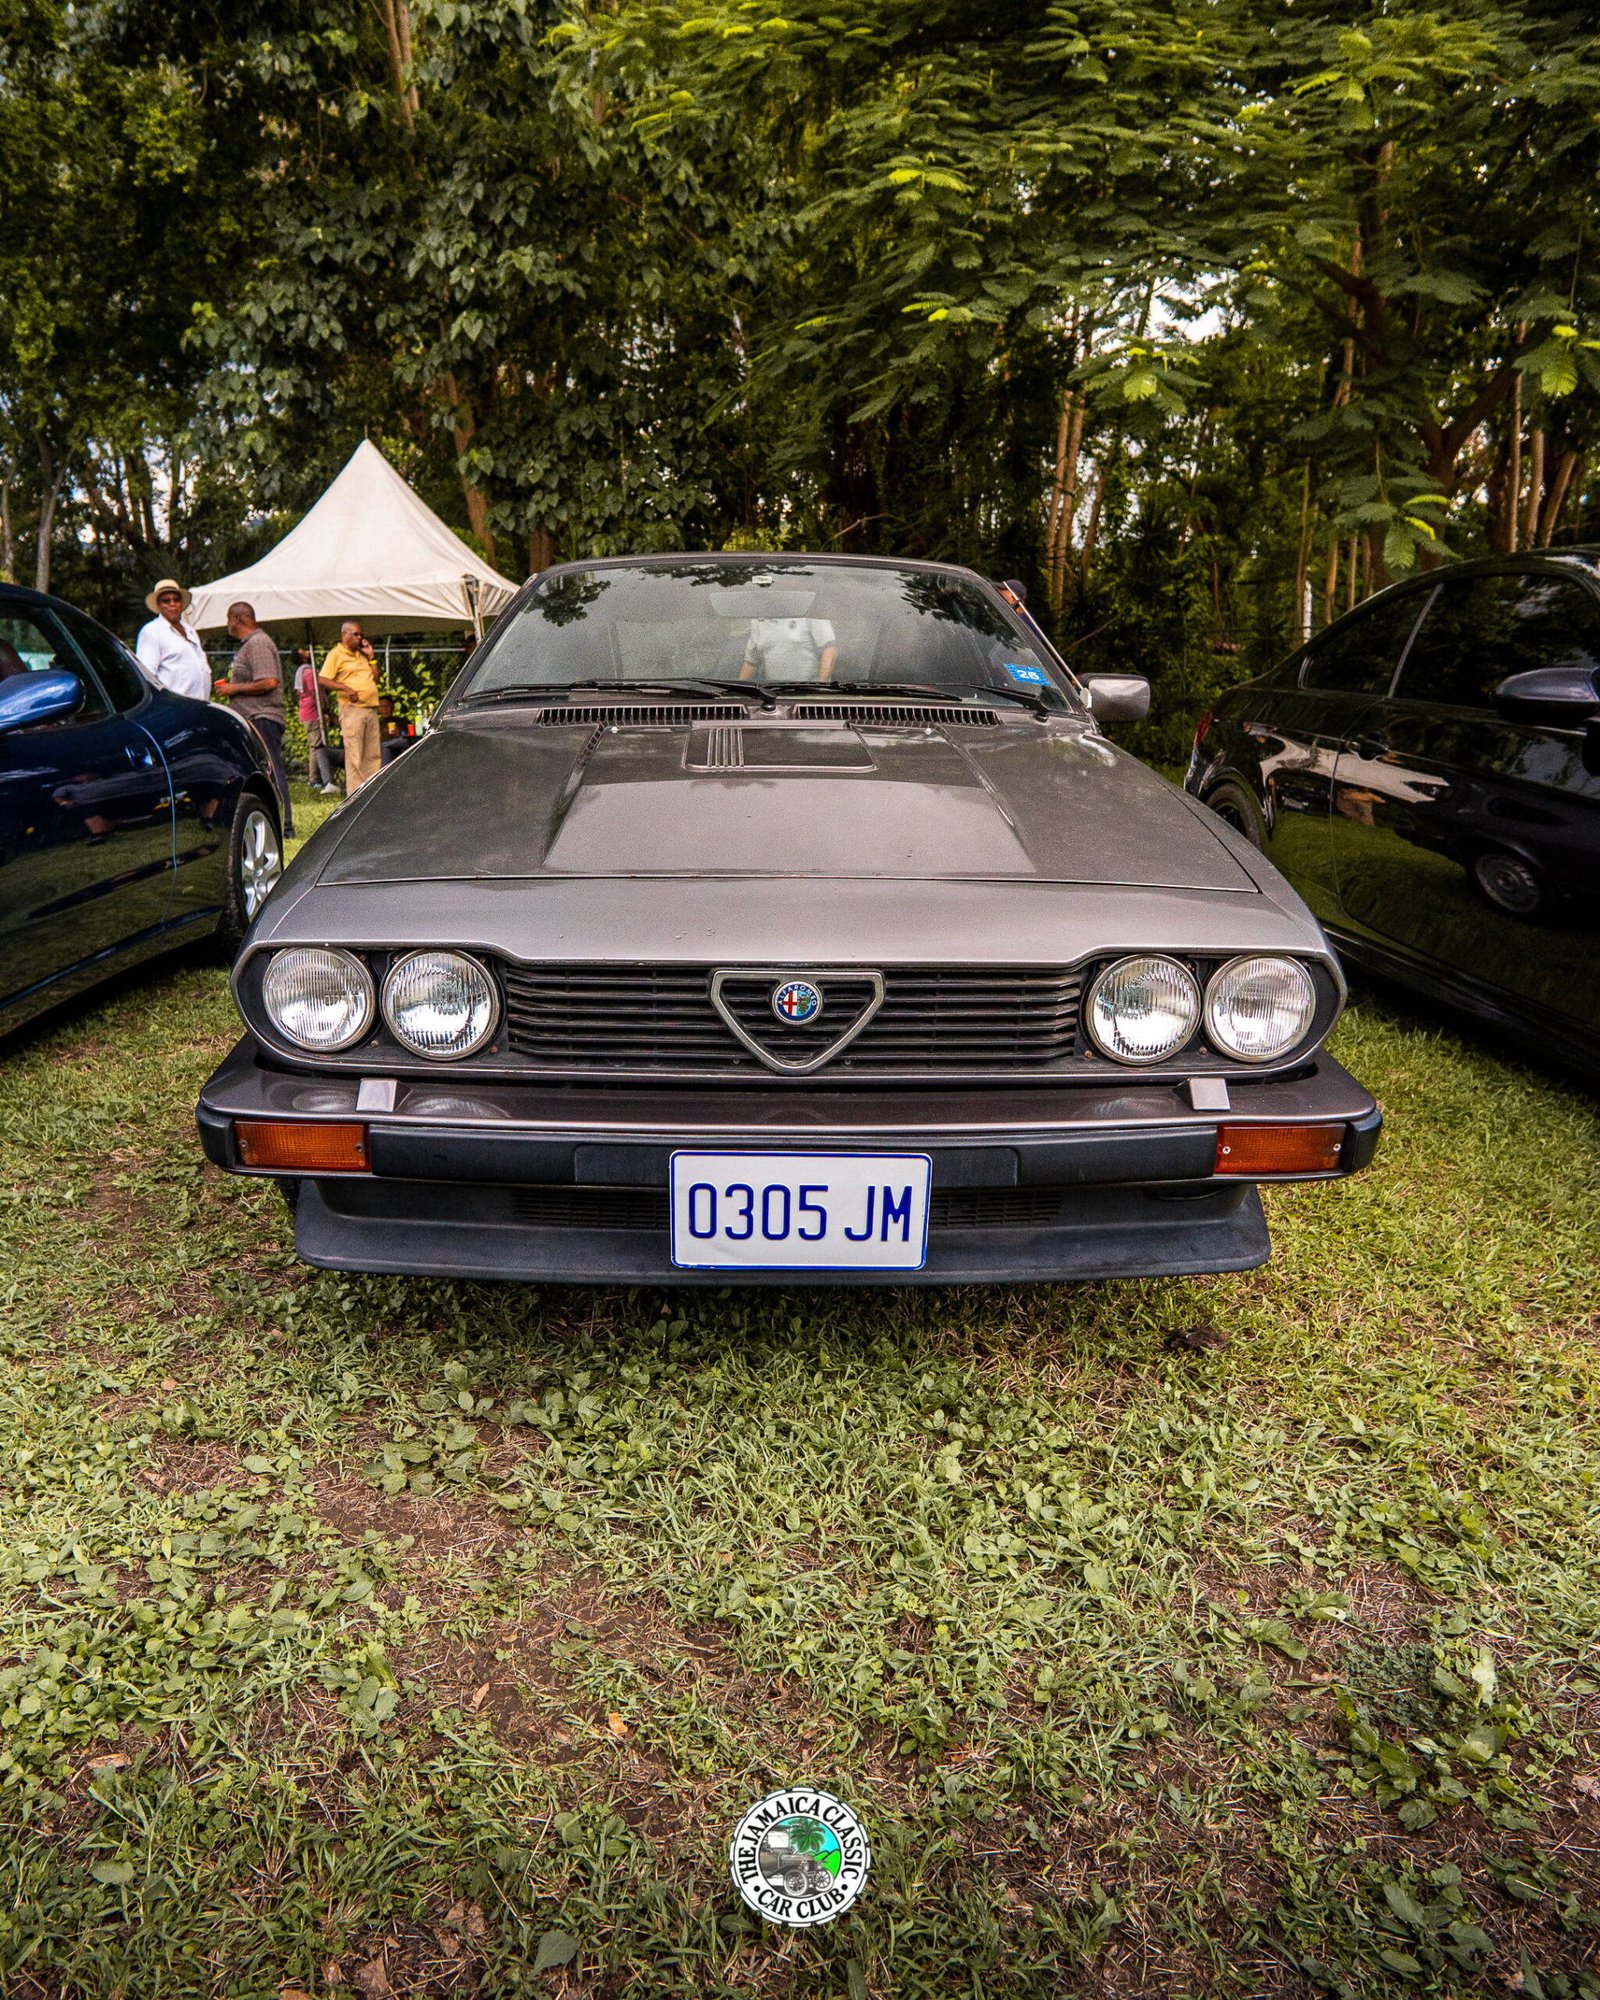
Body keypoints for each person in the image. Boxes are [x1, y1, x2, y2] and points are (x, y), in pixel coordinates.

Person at [212, 602, 294, 838]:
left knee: (272, 768)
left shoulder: (257, 643)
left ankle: (286, 825)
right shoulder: (251, 644)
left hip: (262, 716)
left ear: (237, 619)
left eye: (228, 619)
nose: (228, 625)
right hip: (255, 716)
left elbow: (269, 681)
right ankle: (274, 821)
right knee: (263, 770)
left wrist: (233, 688)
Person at [318, 620, 382, 793]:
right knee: (355, 754)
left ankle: (371, 792)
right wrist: (345, 688)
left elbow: (375, 679)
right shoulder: (336, 654)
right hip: (352, 710)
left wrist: (371, 657)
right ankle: (355, 794)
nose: (359, 637)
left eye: (361, 634)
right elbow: (322, 679)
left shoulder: (362, 654)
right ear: (344, 634)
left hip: (370, 708)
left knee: (372, 754)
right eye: (355, 634)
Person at [135, 579, 211, 700]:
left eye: (176, 600)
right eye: (166, 601)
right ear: (159, 605)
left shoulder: (190, 630)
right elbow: (147, 675)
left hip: (200, 701)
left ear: (181, 604)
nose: (172, 604)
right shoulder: (152, 631)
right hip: (175, 704)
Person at [742, 615, 838, 684]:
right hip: (773, 696)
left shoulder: (811, 613)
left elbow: (829, 650)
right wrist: (736, 692)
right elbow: (751, 663)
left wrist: (821, 689)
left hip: (809, 695)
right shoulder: (758, 620)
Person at [294, 647, 338, 792]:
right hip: (313, 714)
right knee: (317, 747)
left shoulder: (300, 672)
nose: (308, 651)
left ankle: (315, 778)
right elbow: (316, 693)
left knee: (314, 746)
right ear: (302, 657)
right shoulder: (309, 672)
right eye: (305, 651)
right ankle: (314, 780)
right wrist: (325, 709)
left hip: (305, 712)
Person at [377, 693, 414, 766]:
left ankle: (385, 745)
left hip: (400, 751)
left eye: (387, 706)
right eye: (381, 706)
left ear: (392, 707)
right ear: (378, 709)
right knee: (385, 749)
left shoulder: (402, 721)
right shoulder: (376, 724)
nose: (384, 709)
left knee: (403, 740)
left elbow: (409, 738)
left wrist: (399, 733)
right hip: (384, 753)